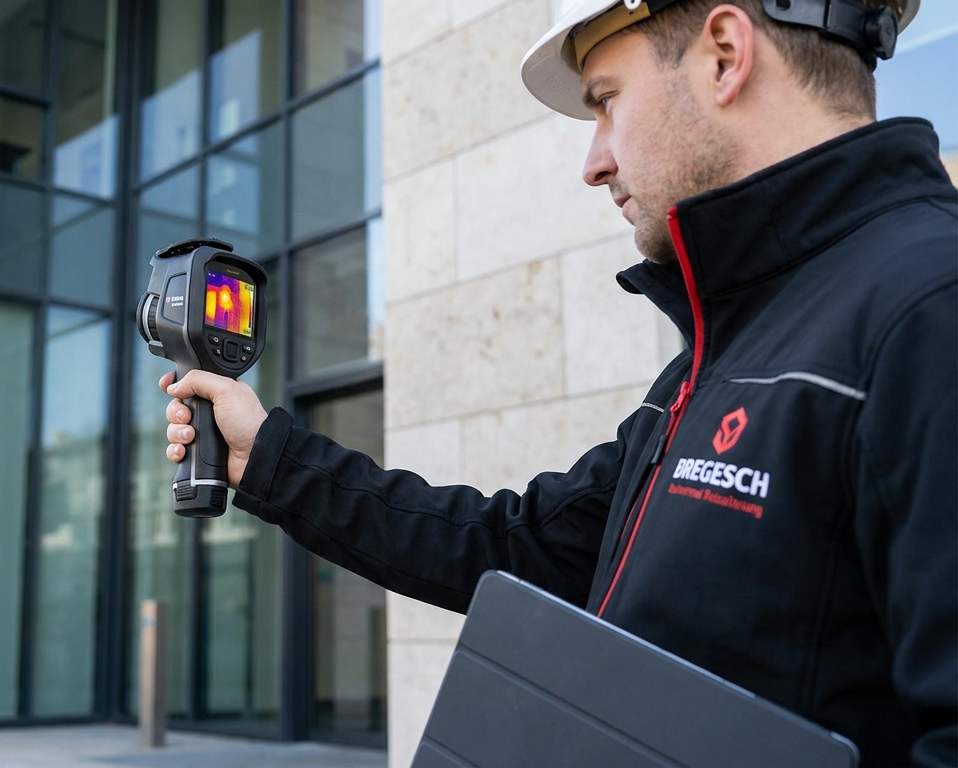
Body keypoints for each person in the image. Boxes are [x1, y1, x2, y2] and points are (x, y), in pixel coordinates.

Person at [161, 0, 956, 764]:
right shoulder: (718, 354)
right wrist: (269, 458)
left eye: (606, 101)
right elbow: (521, 546)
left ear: (724, 55)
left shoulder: (930, 311)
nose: (593, 163)